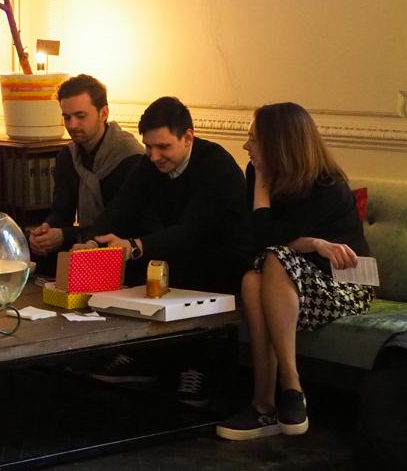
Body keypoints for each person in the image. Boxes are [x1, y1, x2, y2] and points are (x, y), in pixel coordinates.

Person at [77, 96, 252, 402]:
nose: (154, 156)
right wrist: (92, 240)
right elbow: (122, 209)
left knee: (169, 267)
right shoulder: (150, 164)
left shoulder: (217, 166)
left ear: (188, 138)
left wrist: (133, 247)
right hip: (180, 248)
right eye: (148, 147)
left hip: (226, 257)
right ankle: (142, 355)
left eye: (163, 147)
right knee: (138, 267)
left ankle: (197, 368)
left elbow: (191, 231)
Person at [217, 103, 373, 441]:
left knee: (273, 260)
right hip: (287, 279)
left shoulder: (327, 186)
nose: (247, 147)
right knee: (252, 277)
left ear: (279, 145)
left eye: (254, 140)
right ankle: (264, 404)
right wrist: (311, 240)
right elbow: (260, 240)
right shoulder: (258, 174)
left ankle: (289, 386)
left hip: (343, 285)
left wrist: (304, 244)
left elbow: (270, 241)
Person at [28, 74, 145, 268]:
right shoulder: (68, 156)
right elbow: (61, 212)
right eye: (67, 117)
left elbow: (122, 222)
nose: (72, 125)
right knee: (21, 245)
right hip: (83, 240)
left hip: (125, 248)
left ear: (103, 114)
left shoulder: (131, 157)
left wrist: (65, 235)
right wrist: (47, 231)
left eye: (81, 116)